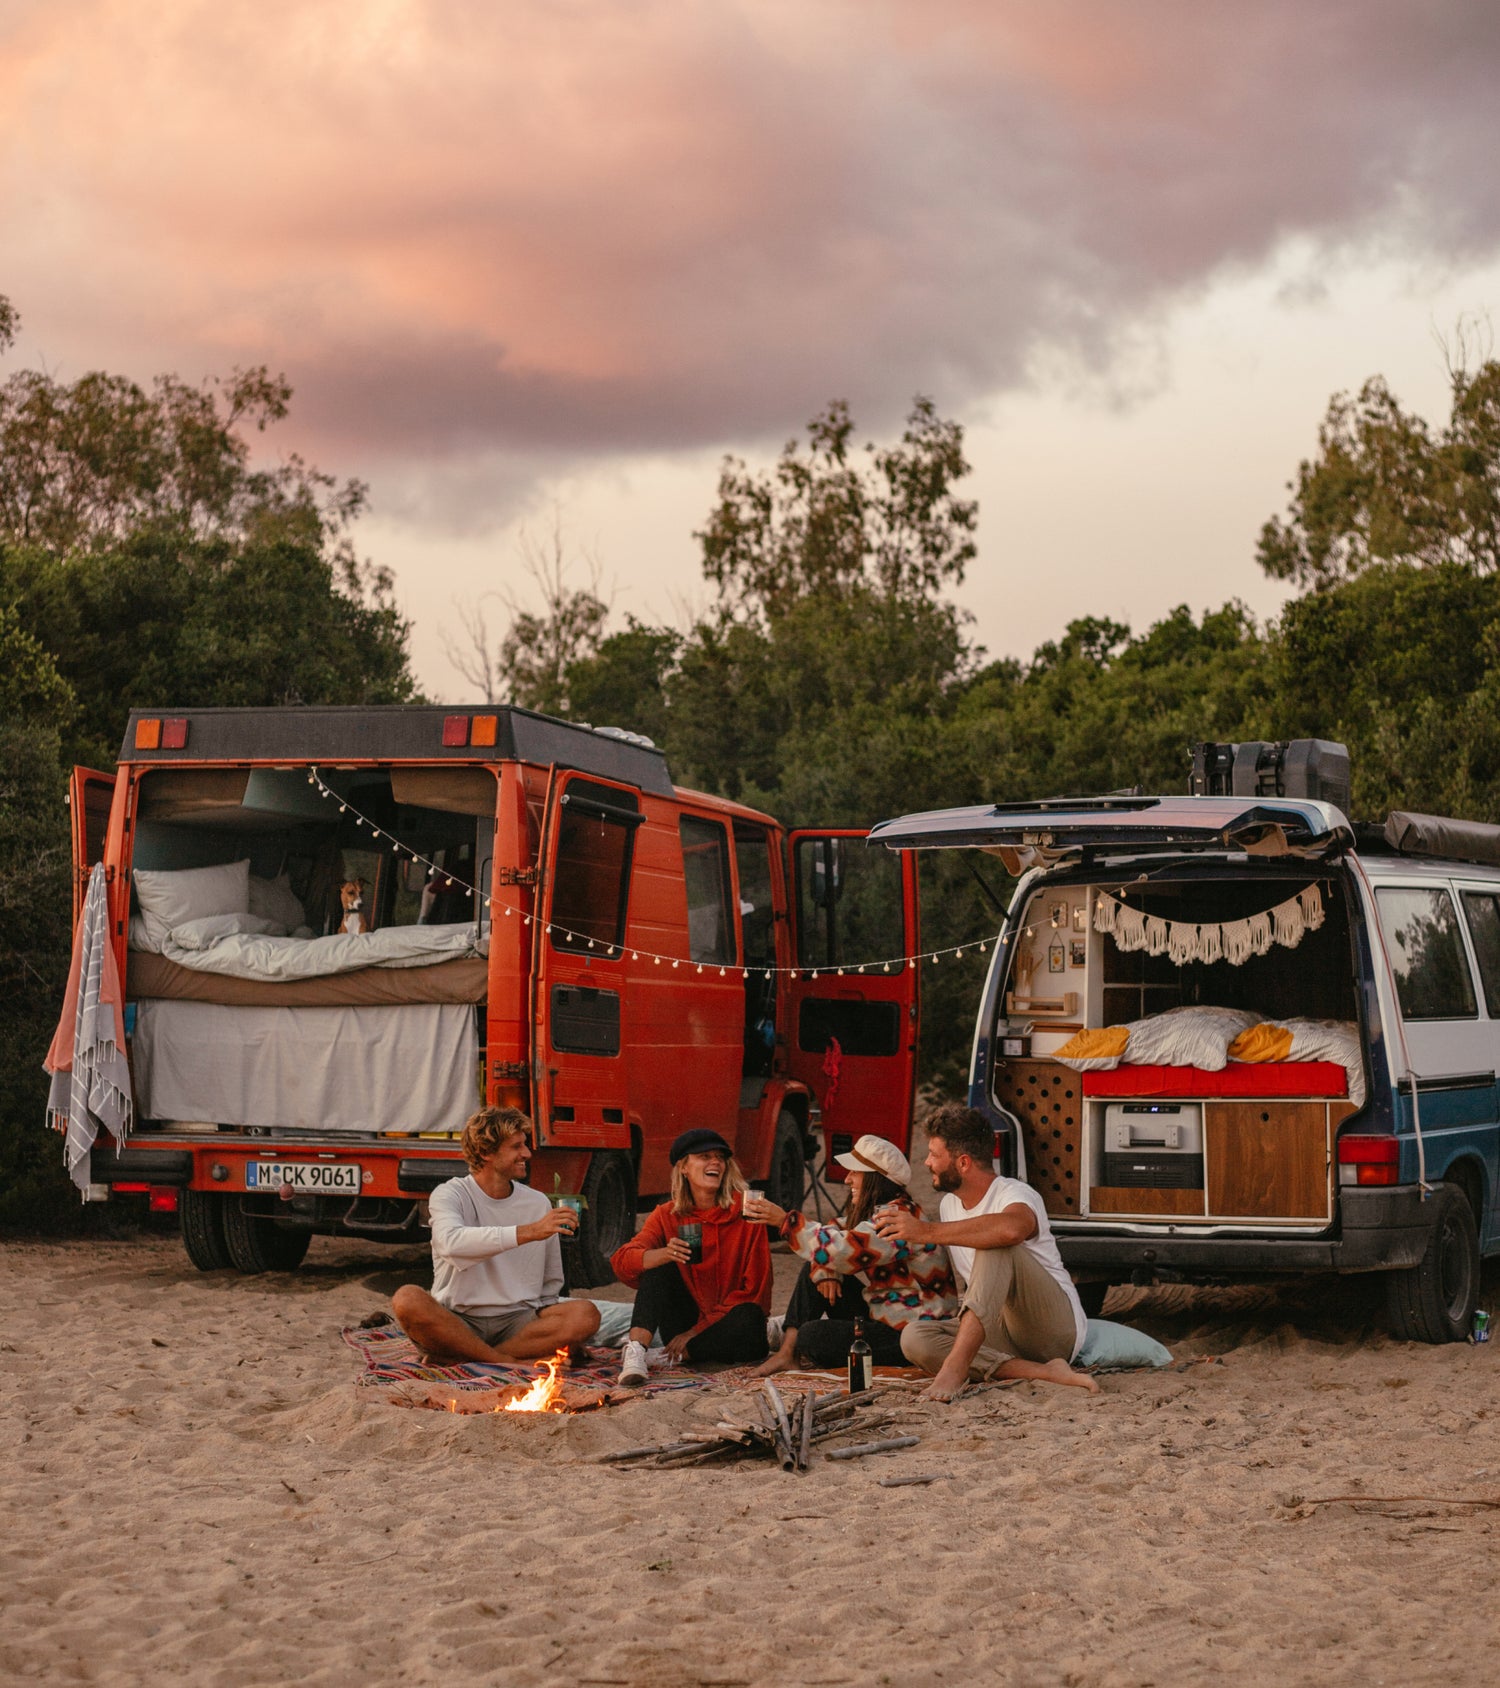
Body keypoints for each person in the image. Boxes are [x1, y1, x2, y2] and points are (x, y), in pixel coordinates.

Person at [874, 1102, 1096, 1401]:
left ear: (963, 1163)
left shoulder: (1014, 1193)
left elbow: (1012, 1229)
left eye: (934, 1155)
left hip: (1051, 1329)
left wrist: (925, 1232)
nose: (926, 1162)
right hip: (1000, 1330)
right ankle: (1042, 1372)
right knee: (915, 1338)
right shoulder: (949, 1205)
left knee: (996, 1244)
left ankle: (955, 1369)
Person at [391, 1105, 600, 1363]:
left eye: (525, 1144)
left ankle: (467, 1356)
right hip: (458, 1320)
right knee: (406, 1299)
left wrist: (561, 1331)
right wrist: (529, 1232)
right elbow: (451, 1244)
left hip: (519, 1324)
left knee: (586, 1314)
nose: (527, 1153)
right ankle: (506, 1361)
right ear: (485, 1152)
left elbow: (550, 1284)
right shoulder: (450, 1194)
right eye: (516, 1146)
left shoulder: (537, 1203)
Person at [744, 1134, 959, 1376]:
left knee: (814, 1336)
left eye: (854, 1173)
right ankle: (787, 1354)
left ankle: (795, 1347)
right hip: (883, 1316)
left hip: (913, 1332)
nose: (847, 1180)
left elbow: (844, 1249)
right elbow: (835, 1229)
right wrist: (826, 1270)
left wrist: (785, 1221)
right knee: (815, 1266)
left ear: (874, 1179)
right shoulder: (880, 1212)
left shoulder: (899, 1217)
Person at [611, 1128, 772, 1384]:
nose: (715, 1162)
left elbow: (756, 1291)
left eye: (720, 1157)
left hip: (725, 1325)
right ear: (683, 1167)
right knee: (658, 1265)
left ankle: (676, 1355)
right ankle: (637, 1352)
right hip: (682, 1320)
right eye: (705, 1156)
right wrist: (664, 1253)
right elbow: (622, 1261)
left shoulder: (747, 1213)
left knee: (751, 1319)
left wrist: (695, 1332)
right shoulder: (667, 1214)